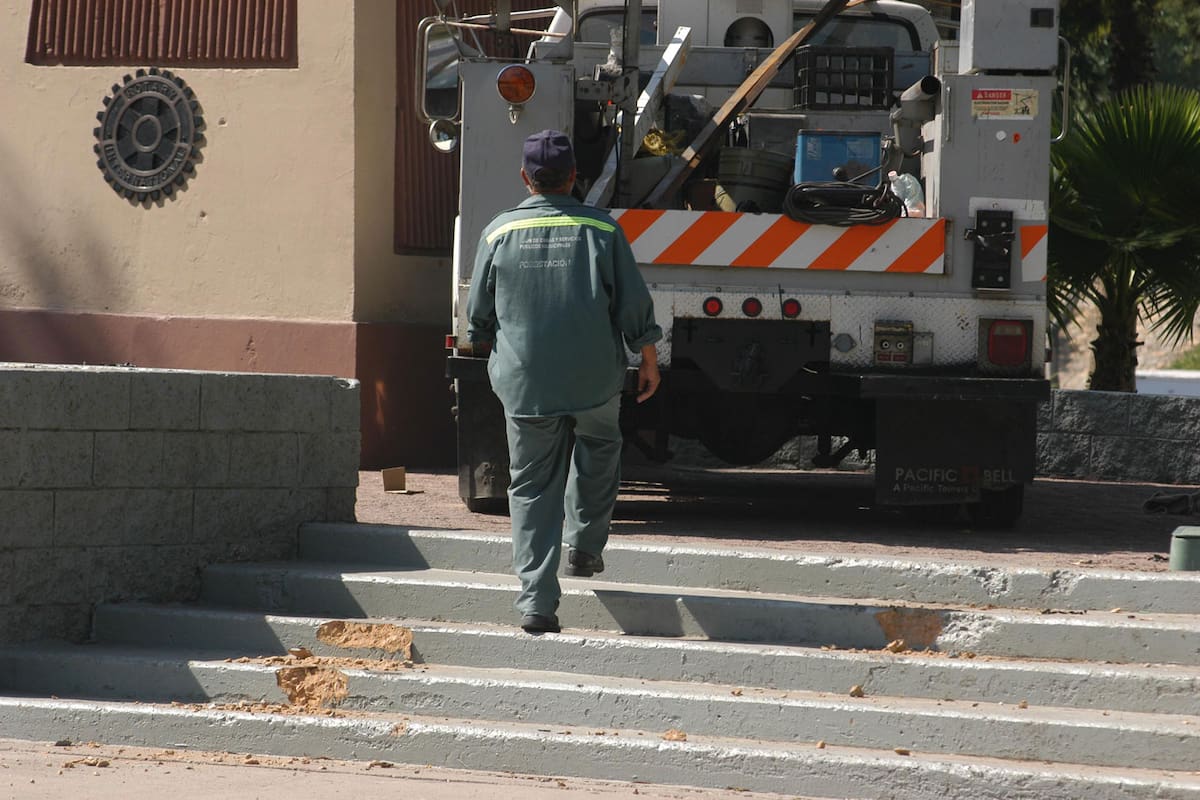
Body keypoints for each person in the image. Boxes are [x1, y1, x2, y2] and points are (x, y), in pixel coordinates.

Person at [466, 129, 663, 634]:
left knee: (530, 485)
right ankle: (585, 547)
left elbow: (477, 319)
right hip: (594, 379)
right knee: (599, 448)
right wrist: (647, 357)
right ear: (575, 177)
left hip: (527, 383)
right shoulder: (603, 229)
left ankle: (537, 603)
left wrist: (498, 352)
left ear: (526, 178)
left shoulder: (497, 233)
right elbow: (632, 304)